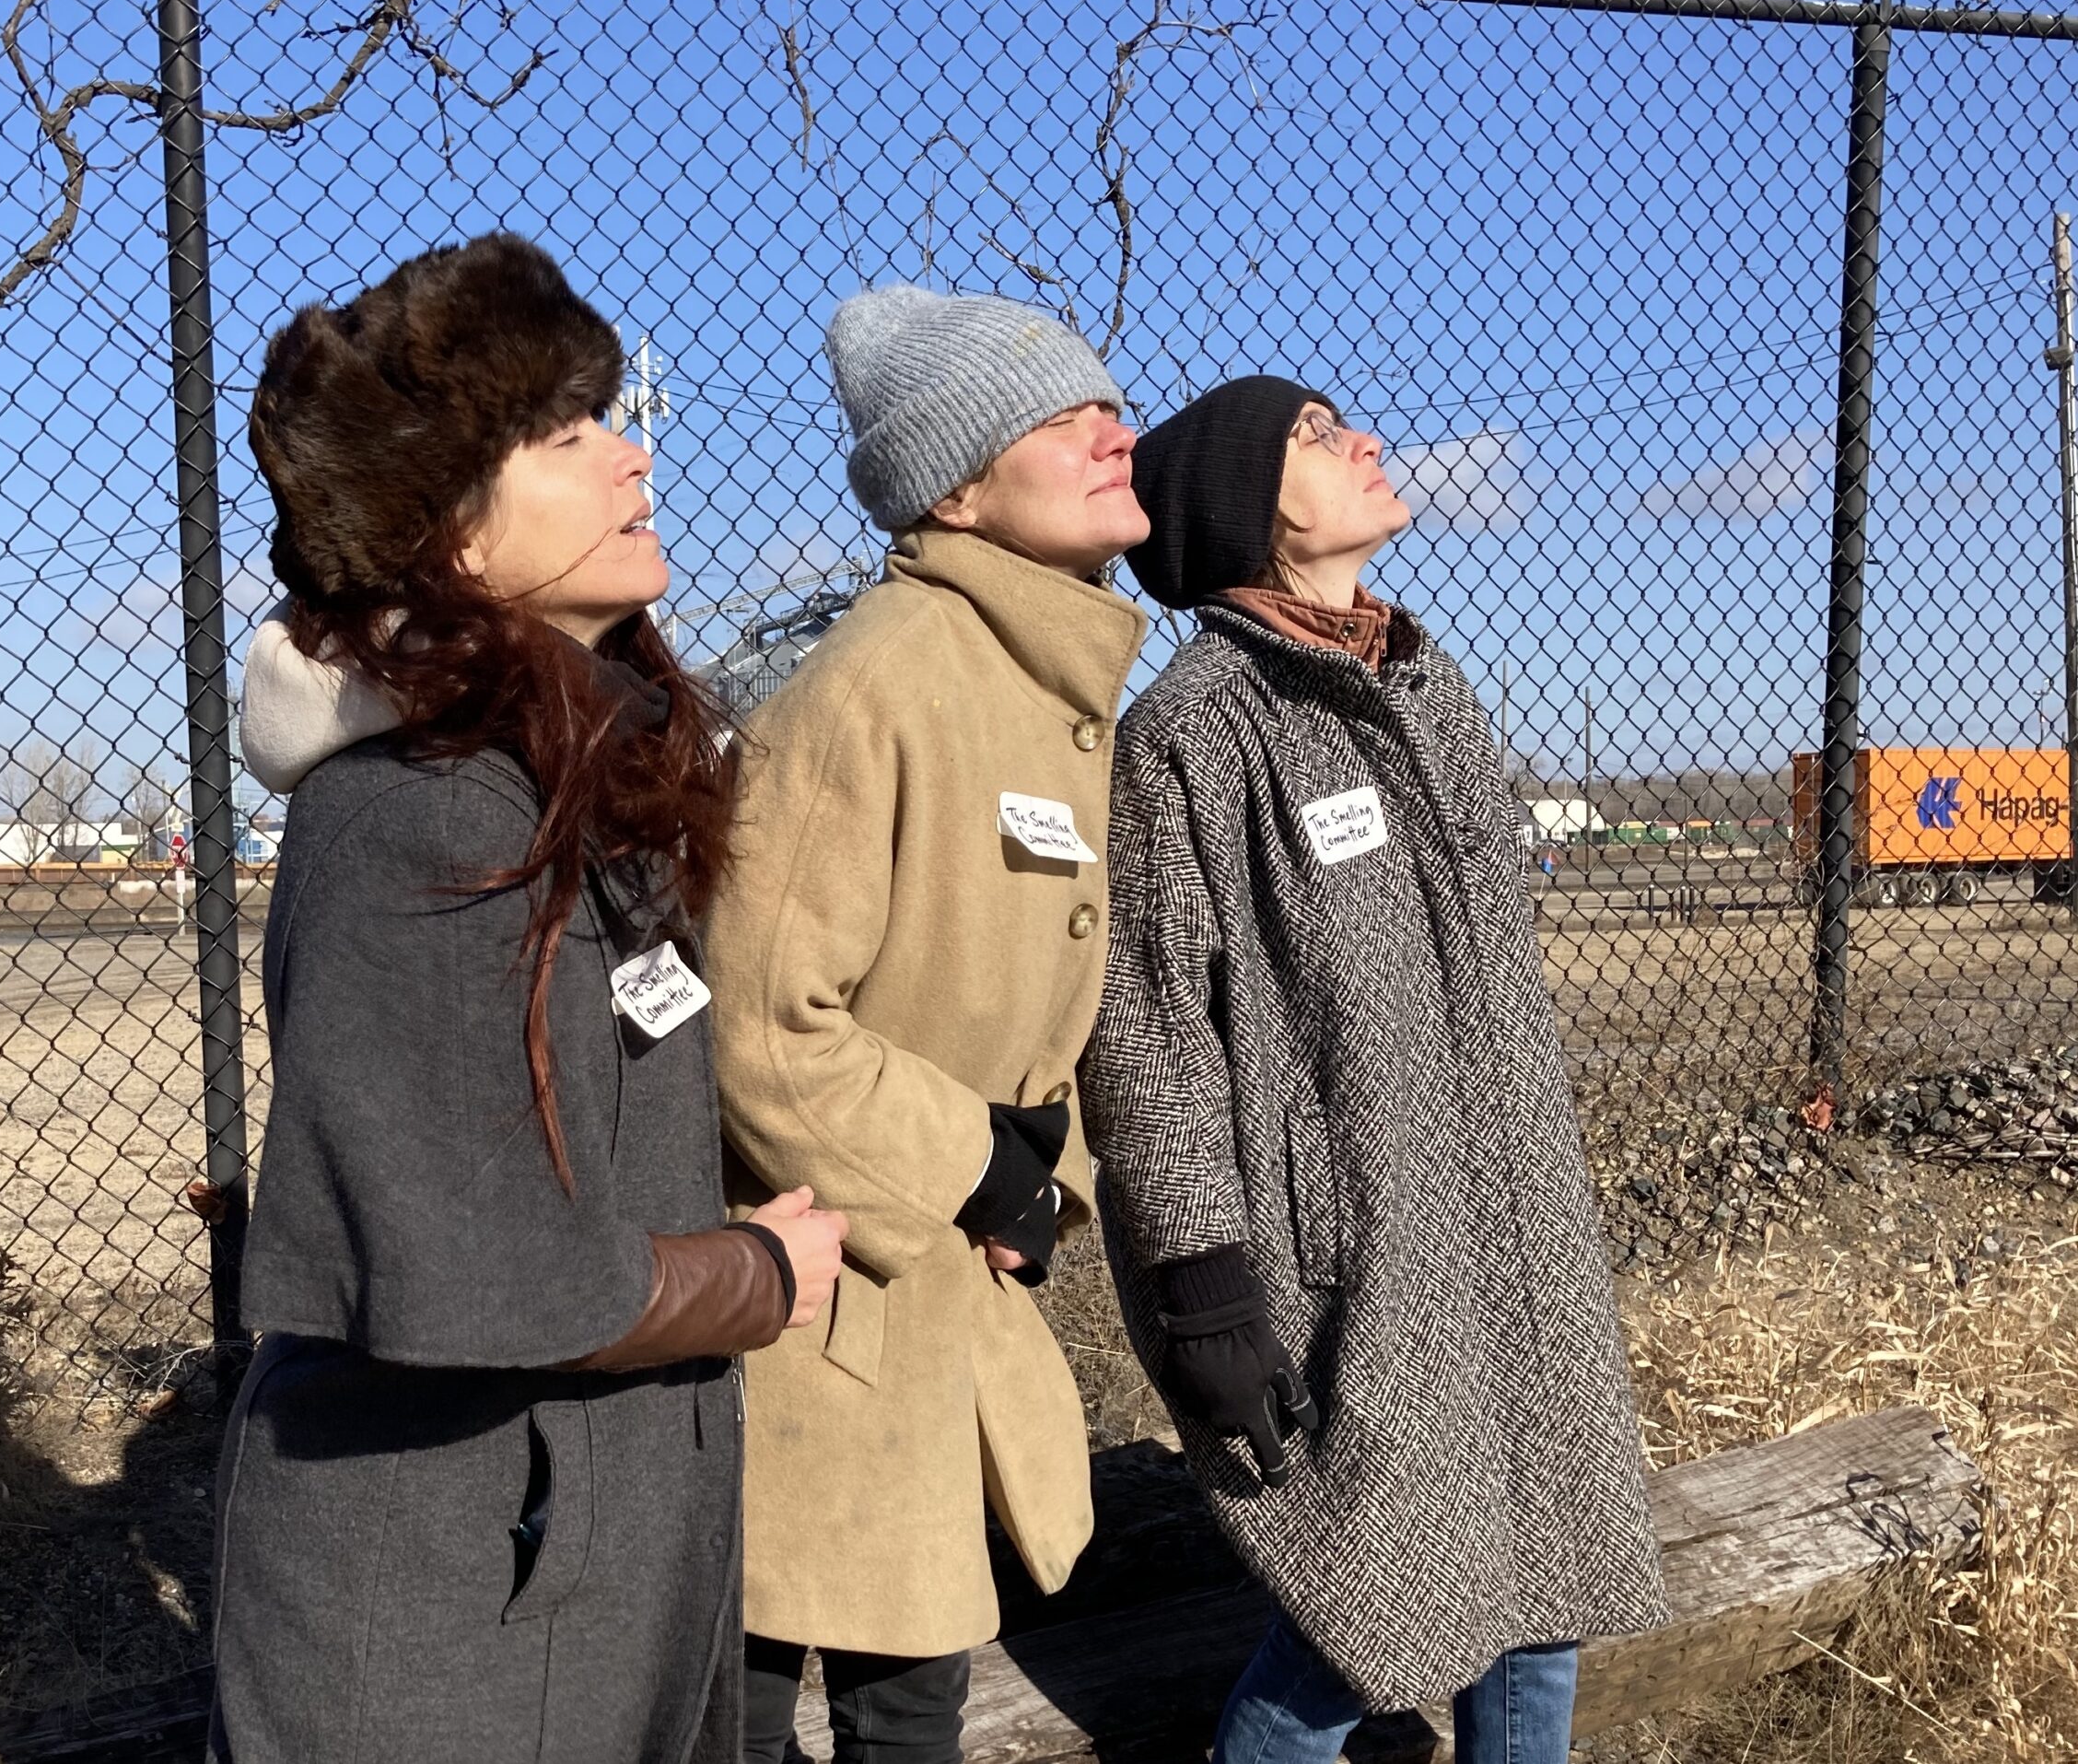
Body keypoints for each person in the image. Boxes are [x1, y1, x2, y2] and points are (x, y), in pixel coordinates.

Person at [205, 231, 847, 1764]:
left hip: (577, 1552)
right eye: (567, 435)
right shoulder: (424, 822)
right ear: (451, 535)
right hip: (453, 1601)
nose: (632, 458)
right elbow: (479, 1269)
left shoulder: (567, 783)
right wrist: (756, 1272)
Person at [1079, 377, 1668, 1764]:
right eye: (1317, 434)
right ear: (1245, 509)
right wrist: (1201, 1275)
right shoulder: (1191, 737)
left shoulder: (1425, 682)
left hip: (1508, 1227)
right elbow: (1144, 1026)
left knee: (1542, 1581)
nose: (1368, 445)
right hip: (1355, 1251)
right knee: (1369, 1611)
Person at [706, 286, 1150, 1764]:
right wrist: (986, 1170)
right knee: (770, 1703)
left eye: (1111, 403)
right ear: (955, 490)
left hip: (952, 1279)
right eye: (1061, 418)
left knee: (915, 1701)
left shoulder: (1042, 681)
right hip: (830, 1302)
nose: (1113, 429)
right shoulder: (880, 683)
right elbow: (765, 1030)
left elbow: (1048, 1011)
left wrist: (1047, 1187)